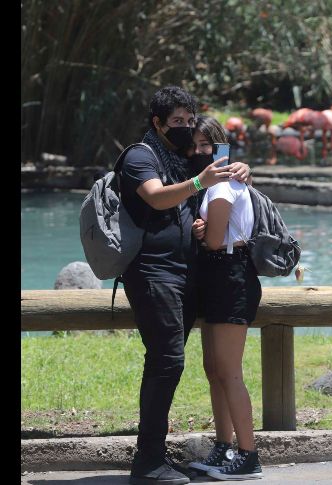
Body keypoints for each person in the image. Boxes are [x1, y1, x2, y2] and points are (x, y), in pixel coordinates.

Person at [120, 86, 251, 485]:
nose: (185, 128)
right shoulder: (140, 156)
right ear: (157, 123)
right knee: (166, 362)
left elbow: (210, 170)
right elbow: (157, 198)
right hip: (153, 274)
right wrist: (198, 182)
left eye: (189, 121)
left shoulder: (178, 158)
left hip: (183, 275)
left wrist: (240, 169)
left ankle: (156, 457)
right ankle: (148, 461)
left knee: (170, 363)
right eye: (176, 121)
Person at [186, 116, 264, 480]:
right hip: (218, 277)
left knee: (229, 371)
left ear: (219, 146)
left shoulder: (220, 187)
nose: (201, 152)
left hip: (231, 275)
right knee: (213, 369)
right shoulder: (216, 184)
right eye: (195, 145)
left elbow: (215, 241)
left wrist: (201, 232)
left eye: (207, 145)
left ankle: (248, 456)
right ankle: (223, 446)